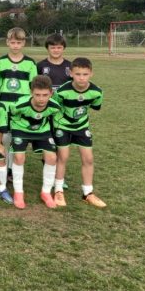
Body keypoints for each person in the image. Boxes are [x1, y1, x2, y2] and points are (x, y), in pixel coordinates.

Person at [52, 57, 106, 208]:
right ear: (71, 73)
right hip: (62, 126)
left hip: (81, 127)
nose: (81, 78)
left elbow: (94, 107)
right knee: (63, 157)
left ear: (91, 74)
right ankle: (58, 190)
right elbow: (55, 108)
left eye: (85, 74)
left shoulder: (97, 92)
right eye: (78, 74)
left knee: (88, 159)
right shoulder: (62, 91)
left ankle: (87, 193)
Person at [8, 75, 63, 209]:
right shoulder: (20, 105)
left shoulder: (55, 106)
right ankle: (18, 192)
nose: (41, 99)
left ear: (51, 93)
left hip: (42, 130)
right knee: (19, 157)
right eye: (37, 95)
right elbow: (10, 115)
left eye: (45, 95)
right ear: (31, 92)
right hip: (20, 129)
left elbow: (55, 120)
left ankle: (46, 192)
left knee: (52, 157)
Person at [0, 27, 38, 181]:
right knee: (5, 139)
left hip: (21, 108)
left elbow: (33, 87)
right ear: (7, 42)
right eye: (12, 42)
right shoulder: (0, 62)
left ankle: (12, 169)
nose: (15, 45)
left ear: (23, 43)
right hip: (4, 108)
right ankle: (4, 168)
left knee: (17, 139)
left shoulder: (30, 63)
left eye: (18, 42)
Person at [37, 33, 72, 188]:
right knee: (47, 142)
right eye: (53, 47)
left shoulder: (70, 66)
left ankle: (59, 176)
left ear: (63, 48)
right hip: (45, 110)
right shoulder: (40, 66)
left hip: (63, 112)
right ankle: (50, 173)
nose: (56, 50)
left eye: (59, 47)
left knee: (60, 143)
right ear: (47, 48)